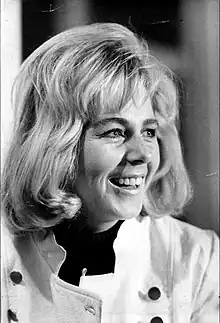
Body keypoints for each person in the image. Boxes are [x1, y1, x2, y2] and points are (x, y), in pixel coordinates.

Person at [1, 23, 219, 323]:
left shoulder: (198, 259)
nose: (142, 154)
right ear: (57, 145)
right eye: (116, 132)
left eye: (149, 131)